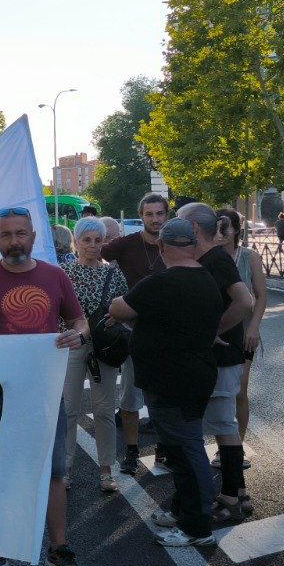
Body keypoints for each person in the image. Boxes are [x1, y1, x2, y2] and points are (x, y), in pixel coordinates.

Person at [0, 206, 89, 566]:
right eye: (6, 234)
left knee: (54, 472)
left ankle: (59, 549)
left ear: (33, 236)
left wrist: (79, 334)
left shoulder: (55, 276)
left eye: (20, 233)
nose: (14, 241)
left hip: (45, 392)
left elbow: (79, 321)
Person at [107, 218, 224, 548]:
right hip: (195, 375)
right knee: (180, 449)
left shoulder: (160, 282)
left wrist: (127, 311)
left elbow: (119, 307)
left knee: (187, 451)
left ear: (161, 247)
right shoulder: (206, 279)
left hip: (172, 381)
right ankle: (183, 509)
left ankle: (197, 527)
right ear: (192, 244)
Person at [177, 202, 254, 523]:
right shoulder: (208, 258)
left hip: (223, 356)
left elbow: (245, 301)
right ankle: (235, 493)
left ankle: (232, 498)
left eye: (180, 225)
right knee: (222, 426)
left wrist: (213, 331)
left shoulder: (216, 259)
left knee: (224, 425)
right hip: (217, 356)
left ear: (194, 229)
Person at [102, 192, 171, 476]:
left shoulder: (178, 244)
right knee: (130, 396)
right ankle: (130, 452)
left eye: (160, 214)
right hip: (133, 331)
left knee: (164, 396)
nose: (155, 219)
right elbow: (93, 250)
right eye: (149, 214)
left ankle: (163, 449)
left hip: (168, 332)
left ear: (167, 215)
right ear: (141, 216)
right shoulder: (126, 244)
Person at [61, 217, 128, 493]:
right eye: (86, 240)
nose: (92, 245)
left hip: (104, 347)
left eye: (98, 240)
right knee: (68, 410)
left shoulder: (113, 274)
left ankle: (106, 469)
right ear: (76, 242)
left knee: (104, 409)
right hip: (73, 345)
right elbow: (55, 308)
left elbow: (127, 307)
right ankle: (64, 468)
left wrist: (117, 317)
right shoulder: (64, 273)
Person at [214, 209, 267, 465]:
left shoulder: (249, 257)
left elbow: (261, 296)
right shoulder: (208, 256)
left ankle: (238, 446)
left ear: (236, 230)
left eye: (226, 227)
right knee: (218, 392)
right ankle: (222, 445)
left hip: (243, 332)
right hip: (215, 332)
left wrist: (254, 327)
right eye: (216, 227)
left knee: (239, 390)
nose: (221, 233)